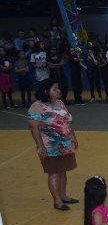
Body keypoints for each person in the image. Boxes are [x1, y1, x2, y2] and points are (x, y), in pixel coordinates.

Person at [27, 79, 80, 211]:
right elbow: (34, 127)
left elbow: (68, 122)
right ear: (46, 91)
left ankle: (63, 195)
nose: (59, 90)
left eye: (58, 88)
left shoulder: (60, 103)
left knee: (63, 170)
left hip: (65, 144)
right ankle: (57, 201)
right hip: (50, 147)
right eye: (55, 88)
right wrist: (40, 146)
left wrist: (73, 137)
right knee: (54, 172)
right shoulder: (37, 106)